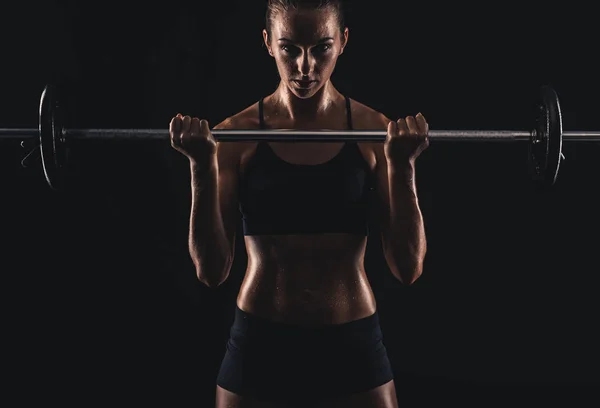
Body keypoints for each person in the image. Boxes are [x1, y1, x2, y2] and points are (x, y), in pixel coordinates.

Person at [169, 0, 429, 406]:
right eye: (289, 48)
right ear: (268, 43)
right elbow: (211, 270)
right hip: (260, 341)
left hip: (351, 340)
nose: (305, 66)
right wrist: (202, 167)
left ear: (342, 42)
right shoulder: (233, 138)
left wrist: (403, 167)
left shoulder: (376, 134)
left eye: (321, 48)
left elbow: (408, 267)